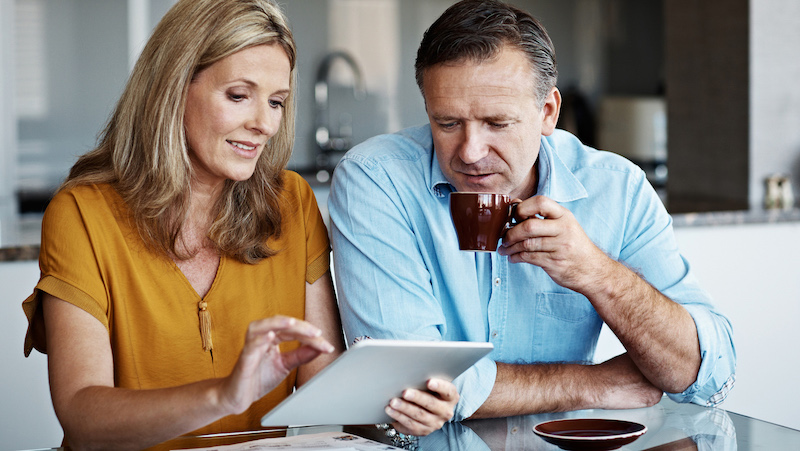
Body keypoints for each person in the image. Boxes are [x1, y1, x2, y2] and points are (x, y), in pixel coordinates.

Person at [21, 0, 456, 449]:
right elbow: (83, 420)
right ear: (173, 87)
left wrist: (395, 413)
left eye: (276, 102)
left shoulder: (291, 202)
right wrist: (223, 395)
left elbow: (324, 391)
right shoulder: (82, 213)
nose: (264, 124)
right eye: (238, 96)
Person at [328, 0, 736, 423]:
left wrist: (597, 274)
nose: (469, 152)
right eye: (447, 123)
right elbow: (402, 383)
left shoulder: (616, 188)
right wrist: (587, 384)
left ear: (548, 113)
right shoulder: (376, 179)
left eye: (497, 123)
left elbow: (706, 372)